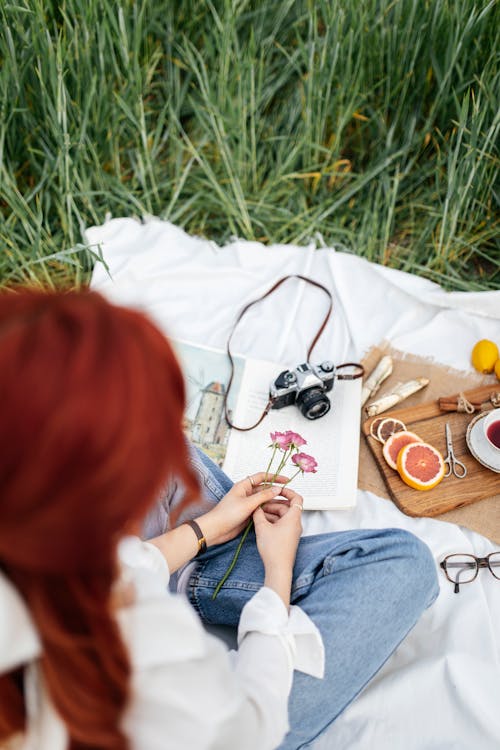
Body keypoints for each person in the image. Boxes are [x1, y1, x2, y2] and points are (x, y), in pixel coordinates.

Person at [0, 289, 438, 750]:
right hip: (245, 720)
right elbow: (251, 722)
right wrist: (277, 577)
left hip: (163, 558)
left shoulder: (37, 549)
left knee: (164, 448)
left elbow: (105, 574)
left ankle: (196, 565)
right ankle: (204, 575)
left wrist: (205, 530)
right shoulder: (146, 658)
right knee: (403, 562)